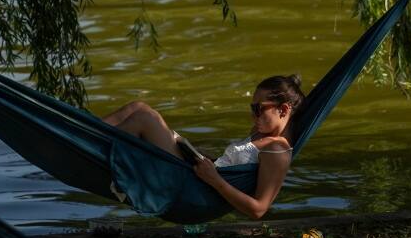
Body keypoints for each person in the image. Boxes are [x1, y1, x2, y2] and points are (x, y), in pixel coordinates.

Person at [100, 74, 304, 220]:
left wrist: (214, 180)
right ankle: (84, 132)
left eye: (258, 108)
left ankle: (95, 149)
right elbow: (231, 167)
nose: (253, 115)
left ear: (284, 109)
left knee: (145, 118)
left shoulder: (277, 152)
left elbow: (258, 210)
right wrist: (200, 156)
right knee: (138, 107)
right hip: (197, 175)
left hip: (195, 192)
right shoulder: (261, 132)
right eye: (252, 108)